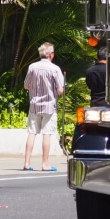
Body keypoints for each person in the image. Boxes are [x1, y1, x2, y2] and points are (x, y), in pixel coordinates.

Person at [23, 42, 64, 171]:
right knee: (47, 134)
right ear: (51, 54)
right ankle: (45, 163)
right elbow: (60, 90)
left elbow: (26, 85)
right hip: (49, 106)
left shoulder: (32, 67)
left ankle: (27, 163)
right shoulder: (55, 69)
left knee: (32, 132)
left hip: (34, 105)